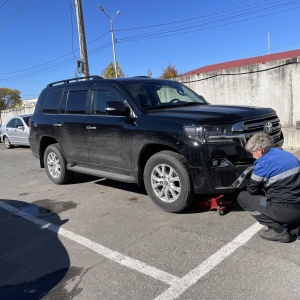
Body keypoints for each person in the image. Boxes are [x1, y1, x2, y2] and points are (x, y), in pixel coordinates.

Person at [237, 132, 300, 243]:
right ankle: (292, 226)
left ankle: (279, 231)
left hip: (285, 212)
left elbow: (252, 190)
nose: (252, 156)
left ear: (260, 150)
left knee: (243, 197)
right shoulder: (288, 155)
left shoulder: (262, 163)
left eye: (253, 152)